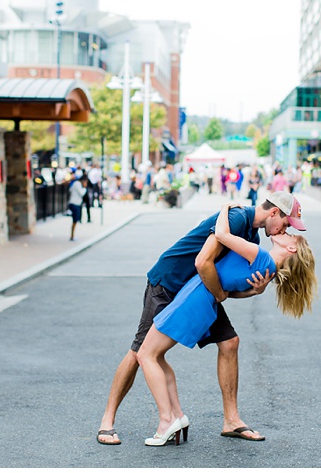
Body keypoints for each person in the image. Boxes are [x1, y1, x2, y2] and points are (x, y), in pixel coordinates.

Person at [96, 191, 307, 445]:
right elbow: (203, 262)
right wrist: (220, 293)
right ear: (274, 212)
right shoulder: (238, 218)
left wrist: (255, 289)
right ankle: (107, 422)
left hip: (200, 289)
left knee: (230, 342)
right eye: (286, 224)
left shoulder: (251, 236)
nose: (283, 230)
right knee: (140, 351)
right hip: (172, 282)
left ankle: (231, 420)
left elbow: (229, 285)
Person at [68, 173, 87, 241]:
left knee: (75, 220)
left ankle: (72, 235)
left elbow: (70, 190)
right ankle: (72, 236)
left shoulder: (75, 183)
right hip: (75, 204)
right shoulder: (77, 184)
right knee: (75, 220)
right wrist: (84, 188)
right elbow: (82, 193)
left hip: (75, 203)